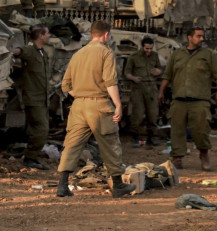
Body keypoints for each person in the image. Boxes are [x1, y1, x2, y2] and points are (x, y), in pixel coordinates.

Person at [55, 20, 136, 198]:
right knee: (110, 143)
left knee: (72, 145)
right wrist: (118, 105)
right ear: (106, 35)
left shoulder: (78, 54)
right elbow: (110, 82)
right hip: (99, 105)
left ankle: (62, 185)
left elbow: (65, 85)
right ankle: (118, 185)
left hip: (78, 106)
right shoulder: (105, 52)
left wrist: (81, 95)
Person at [158, 27, 217, 171]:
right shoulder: (177, 54)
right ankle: (177, 158)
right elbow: (167, 75)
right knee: (177, 130)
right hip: (179, 100)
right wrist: (161, 92)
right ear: (189, 37)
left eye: (202, 36)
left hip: (199, 100)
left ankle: (204, 155)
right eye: (198, 36)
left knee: (201, 131)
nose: (202, 39)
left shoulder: (209, 54)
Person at [12, 24, 52, 170]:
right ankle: (30, 157)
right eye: (47, 33)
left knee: (39, 129)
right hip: (33, 98)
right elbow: (19, 51)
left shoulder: (42, 53)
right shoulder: (30, 50)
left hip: (42, 98)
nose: (49, 36)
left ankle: (31, 157)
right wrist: (11, 53)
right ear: (41, 36)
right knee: (42, 129)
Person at [124, 36, 162, 148]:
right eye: (147, 48)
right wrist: (133, 78)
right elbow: (127, 73)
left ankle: (152, 137)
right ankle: (135, 137)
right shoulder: (133, 57)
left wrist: (158, 71)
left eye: (151, 48)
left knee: (153, 113)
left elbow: (160, 68)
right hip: (138, 87)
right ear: (142, 46)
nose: (149, 51)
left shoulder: (155, 56)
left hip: (152, 87)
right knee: (138, 114)